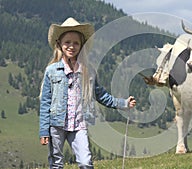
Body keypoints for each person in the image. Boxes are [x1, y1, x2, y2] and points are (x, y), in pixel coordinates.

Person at [39, 17, 136, 169]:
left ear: (81, 46)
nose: (71, 46)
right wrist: (44, 130)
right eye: (67, 42)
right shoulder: (51, 71)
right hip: (56, 125)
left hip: (79, 125)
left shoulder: (88, 71)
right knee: (56, 163)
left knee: (85, 162)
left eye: (76, 43)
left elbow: (101, 95)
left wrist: (123, 103)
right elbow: (45, 102)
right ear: (59, 44)